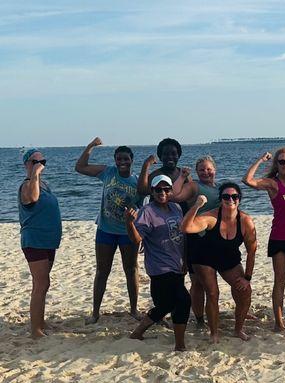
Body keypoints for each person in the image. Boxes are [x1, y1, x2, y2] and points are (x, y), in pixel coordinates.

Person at [243, 148, 285, 331]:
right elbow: (247, 180)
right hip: (280, 239)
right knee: (280, 280)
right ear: (277, 165)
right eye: (282, 162)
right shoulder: (273, 184)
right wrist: (261, 159)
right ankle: (278, 322)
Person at [75, 137, 141, 324]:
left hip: (127, 232)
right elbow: (80, 167)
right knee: (102, 271)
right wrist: (91, 146)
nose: (122, 162)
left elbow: (148, 202)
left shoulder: (137, 181)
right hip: (105, 230)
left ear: (131, 160)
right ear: (115, 160)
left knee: (131, 269)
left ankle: (134, 310)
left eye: (125, 159)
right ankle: (95, 313)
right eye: (119, 159)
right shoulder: (108, 172)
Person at [181, 182, 256, 343]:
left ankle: (238, 329)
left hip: (228, 258)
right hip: (204, 257)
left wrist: (247, 277)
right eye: (226, 196)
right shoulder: (211, 216)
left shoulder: (245, 221)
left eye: (234, 196)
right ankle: (214, 333)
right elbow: (186, 227)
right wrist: (196, 205)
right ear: (221, 199)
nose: (230, 199)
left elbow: (252, 250)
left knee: (245, 291)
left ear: (239, 199)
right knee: (213, 293)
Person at [125, 175, 191, 351]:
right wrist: (129, 223)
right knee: (183, 300)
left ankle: (138, 332)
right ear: (152, 192)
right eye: (158, 190)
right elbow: (137, 239)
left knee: (166, 304)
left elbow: (183, 235)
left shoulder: (176, 208)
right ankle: (180, 345)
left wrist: (185, 259)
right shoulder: (147, 211)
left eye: (166, 189)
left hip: (177, 263)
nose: (163, 192)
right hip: (159, 265)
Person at [171, 156, 220, 328]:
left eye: (208, 169)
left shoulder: (221, 188)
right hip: (197, 240)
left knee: (216, 281)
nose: (206, 172)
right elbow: (174, 195)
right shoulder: (194, 186)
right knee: (198, 283)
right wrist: (182, 177)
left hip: (218, 240)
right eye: (201, 170)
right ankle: (200, 319)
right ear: (197, 173)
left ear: (215, 169)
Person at [18, 148, 62, 338]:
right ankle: (35, 330)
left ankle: (40, 322)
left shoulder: (43, 184)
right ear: (27, 164)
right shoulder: (27, 185)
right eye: (36, 161)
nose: (40, 164)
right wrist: (34, 174)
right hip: (34, 240)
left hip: (48, 241)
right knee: (40, 283)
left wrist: (37, 176)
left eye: (42, 161)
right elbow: (32, 199)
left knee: (45, 283)